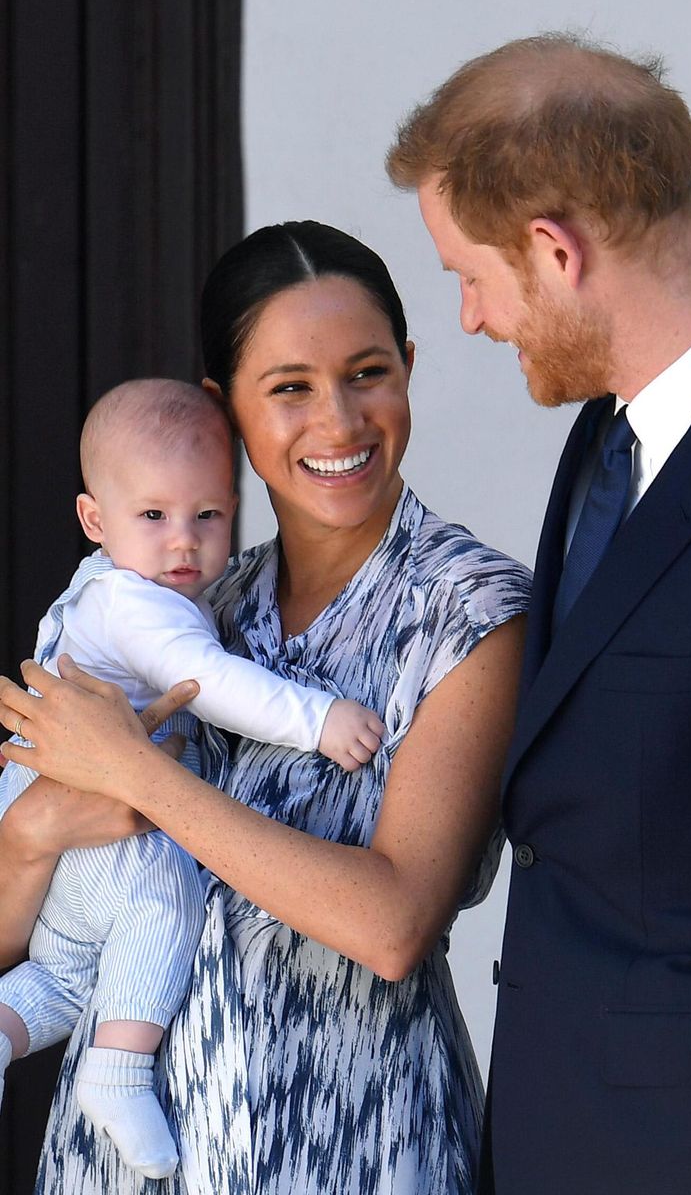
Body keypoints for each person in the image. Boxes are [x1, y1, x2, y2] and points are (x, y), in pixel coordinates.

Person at [0, 221, 529, 1194]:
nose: (338, 420)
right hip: (122, 1165)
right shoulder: (176, 609)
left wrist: (136, 774)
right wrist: (34, 829)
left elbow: (393, 923)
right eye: (289, 387)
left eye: (368, 372)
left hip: (347, 1145)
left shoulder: (469, 613)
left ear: (408, 370)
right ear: (224, 409)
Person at [385, 30, 691, 1195]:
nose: (472, 320)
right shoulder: (602, 442)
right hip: (556, 1138)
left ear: (553, 249)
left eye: (468, 278)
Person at [0, 376, 383, 1181]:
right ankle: (119, 1071)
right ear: (95, 521)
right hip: (94, 817)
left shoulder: (110, 587)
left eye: (207, 516)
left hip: (57, 817)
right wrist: (320, 720)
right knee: (169, 888)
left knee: (69, 972)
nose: (185, 542)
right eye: (154, 517)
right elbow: (210, 681)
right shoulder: (141, 607)